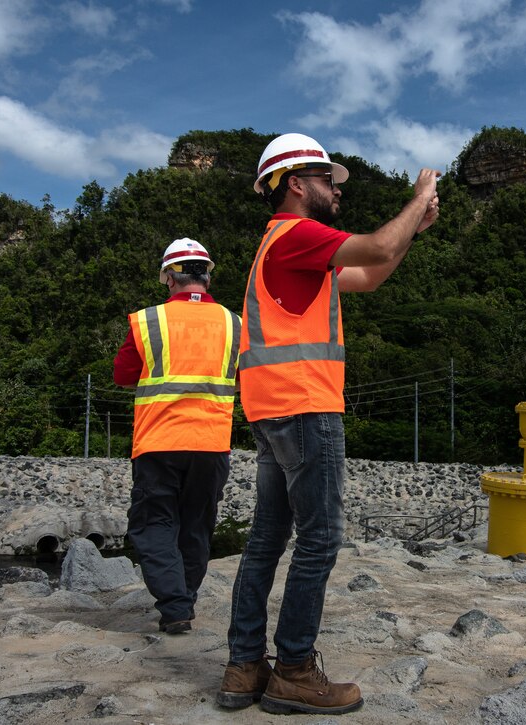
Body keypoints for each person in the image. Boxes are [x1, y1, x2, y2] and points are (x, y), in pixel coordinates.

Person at [217, 133, 439, 715]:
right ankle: (292, 670)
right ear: (296, 183)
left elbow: (370, 273)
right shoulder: (297, 235)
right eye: (328, 181)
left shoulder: (284, 249)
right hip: (305, 406)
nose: (337, 190)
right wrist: (419, 199)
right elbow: (375, 243)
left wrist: (411, 235)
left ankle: (245, 668)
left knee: (268, 538)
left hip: (272, 411)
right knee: (319, 539)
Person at [113, 238, 241, 634]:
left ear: (169, 277)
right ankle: (184, 596)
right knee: (196, 526)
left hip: (158, 442)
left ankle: (175, 605)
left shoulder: (148, 321)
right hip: (211, 443)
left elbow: (122, 376)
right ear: (207, 275)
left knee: (154, 524)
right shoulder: (235, 323)